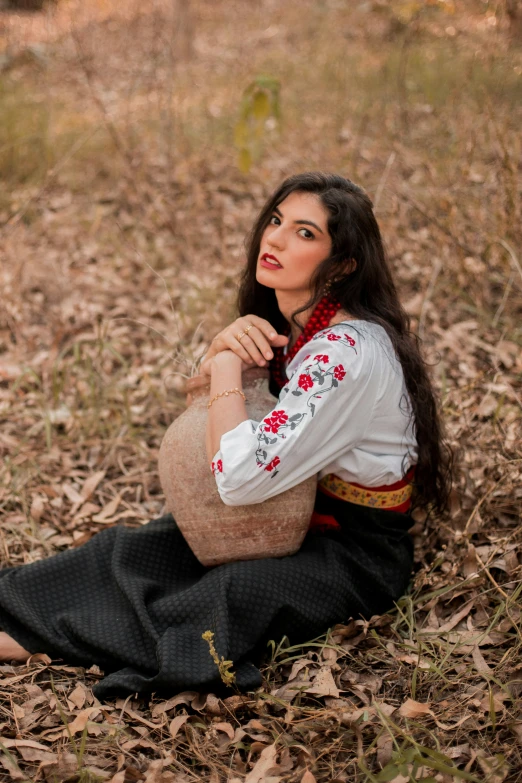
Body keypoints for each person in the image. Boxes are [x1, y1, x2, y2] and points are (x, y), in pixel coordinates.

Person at [0, 172, 451, 699]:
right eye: (277, 221)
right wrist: (221, 356)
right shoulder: (298, 326)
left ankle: (28, 641)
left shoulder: (346, 354)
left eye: (306, 233)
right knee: (135, 549)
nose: (277, 239)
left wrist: (227, 366)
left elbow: (237, 477)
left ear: (344, 265)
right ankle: (16, 607)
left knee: (225, 595)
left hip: (355, 555)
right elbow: (209, 418)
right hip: (286, 515)